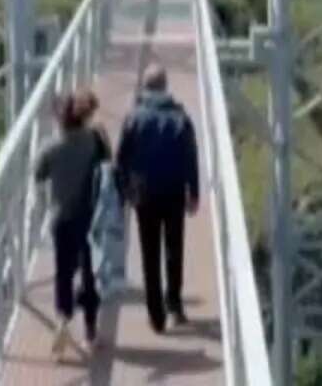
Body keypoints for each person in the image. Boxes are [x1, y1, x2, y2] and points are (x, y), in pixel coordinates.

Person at [116, 63, 199, 333]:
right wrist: (193, 192)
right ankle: (174, 305)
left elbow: (121, 160)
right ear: (165, 86)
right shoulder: (180, 117)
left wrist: (124, 191)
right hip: (174, 192)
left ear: (145, 86)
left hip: (144, 195)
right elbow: (190, 157)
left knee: (149, 254)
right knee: (174, 250)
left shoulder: (133, 118)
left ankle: (156, 316)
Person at [34, 89, 111, 358]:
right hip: (89, 217)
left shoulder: (52, 146)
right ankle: (91, 331)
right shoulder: (93, 139)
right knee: (89, 273)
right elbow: (107, 163)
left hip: (61, 217)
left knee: (63, 273)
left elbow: (38, 173)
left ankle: (62, 320)